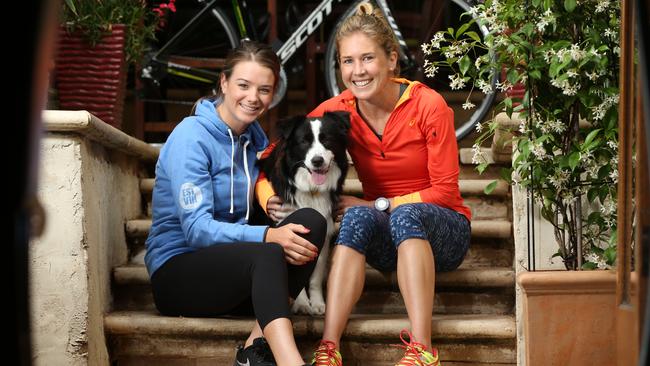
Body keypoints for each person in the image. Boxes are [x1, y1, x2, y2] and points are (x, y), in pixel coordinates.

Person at [256, 3, 471, 366]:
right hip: (386, 236)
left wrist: (378, 205)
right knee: (353, 221)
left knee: (403, 215)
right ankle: (329, 348)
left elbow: (445, 191)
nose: (358, 72)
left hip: (444, 232)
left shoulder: (428, 105)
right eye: (347, 61)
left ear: (391, 59)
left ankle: (422, 350)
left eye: (367, 58)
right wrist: (267, 200)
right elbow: (270, 159)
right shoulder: (339, 109)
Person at [144, 40, 326, 366]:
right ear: (224, 82)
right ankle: (290, 362)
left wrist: (268, 198)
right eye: (243, 85)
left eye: (264, 89)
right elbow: (197, 231)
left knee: (311, 223)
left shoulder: (248, 145)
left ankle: (253, 351)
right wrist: (269, 236)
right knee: (270, 247)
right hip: (178, 274)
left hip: (232, 274)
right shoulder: (192, 137)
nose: (253, 97)